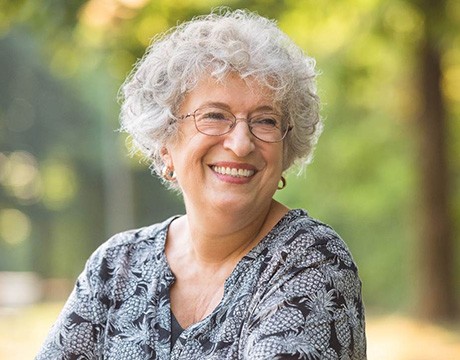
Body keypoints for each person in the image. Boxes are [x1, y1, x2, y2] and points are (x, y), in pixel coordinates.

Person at [37, 8, 366, 360]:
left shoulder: (311, 260)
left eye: (265, 120)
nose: (241, 144)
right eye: (214, 116)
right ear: (166, 143)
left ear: (286, 150)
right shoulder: (116, 266)